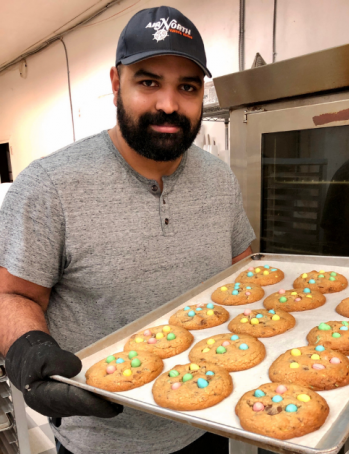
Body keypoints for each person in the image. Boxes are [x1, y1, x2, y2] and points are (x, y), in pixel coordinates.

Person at [0, 6, 255, 453]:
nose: (169, 105)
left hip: (208, 423)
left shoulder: (220, 179)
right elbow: (11, 294)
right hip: (101, 440)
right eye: (148, 81)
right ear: (116, 82)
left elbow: (241, 273)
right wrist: (28, 349)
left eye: (188, 87)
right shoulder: (50, 185)